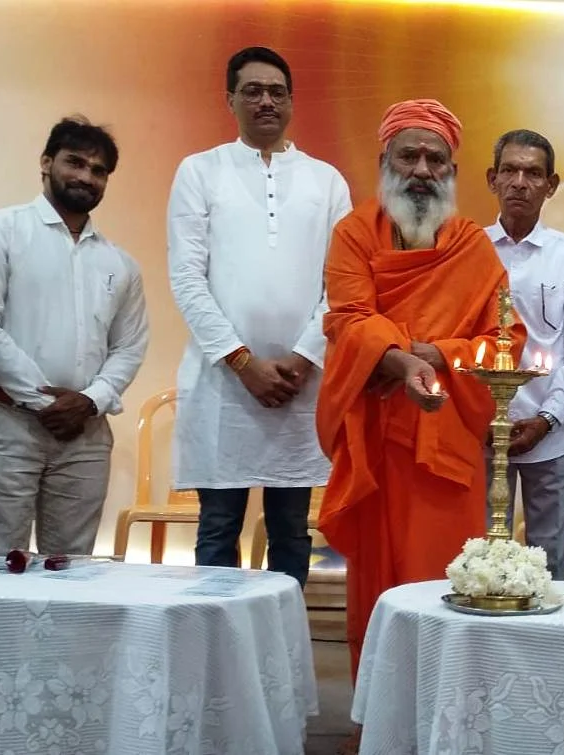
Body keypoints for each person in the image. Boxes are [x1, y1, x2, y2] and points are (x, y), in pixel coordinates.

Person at [318, 99, 524, 678]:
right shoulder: (354, 233)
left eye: (436, 160)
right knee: (381, 587)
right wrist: (402, 363)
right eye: (409, 156)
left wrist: (434, 356)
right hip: (379, 445)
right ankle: (379, 715)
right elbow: (348, 320)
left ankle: (448, 708)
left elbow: (505, 340)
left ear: (452, 173)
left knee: (447, 584)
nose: (422, 170)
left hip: (448, 442)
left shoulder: (472, 246)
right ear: (384, 162)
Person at [167, 46, 351, 583]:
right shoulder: (199, 171)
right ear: (230, 100)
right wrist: (243, 362)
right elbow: (187, 278)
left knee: (291, 531)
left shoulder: (327, 180)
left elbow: (341, 283)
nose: (266, 101)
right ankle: (215, 634)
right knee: (218, 526)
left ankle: (283, 638)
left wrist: (304, 357)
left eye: (277, 92)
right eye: (252, 91)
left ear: (291, 101)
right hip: (223, 385)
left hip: (300, 386)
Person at [0, 118, 150, 557]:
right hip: (10, 424)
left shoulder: (119, 263)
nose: (86, 176)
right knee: (0, 564)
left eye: (98, 170)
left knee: (71, 568)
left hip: (86, 433)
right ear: (46, 162)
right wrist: (44, 401)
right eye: (75, 162)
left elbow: (129, 345)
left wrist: (90, 401)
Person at [483, 129, 564, 580]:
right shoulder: (467, 249)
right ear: (492, 179)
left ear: (551, 185)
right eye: (509, 170)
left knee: (548, 564)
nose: (520, 182)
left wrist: (546, 419)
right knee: (478, 555)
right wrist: (477, 415)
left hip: (551, 435)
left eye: (533, 173)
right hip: (479, 434)